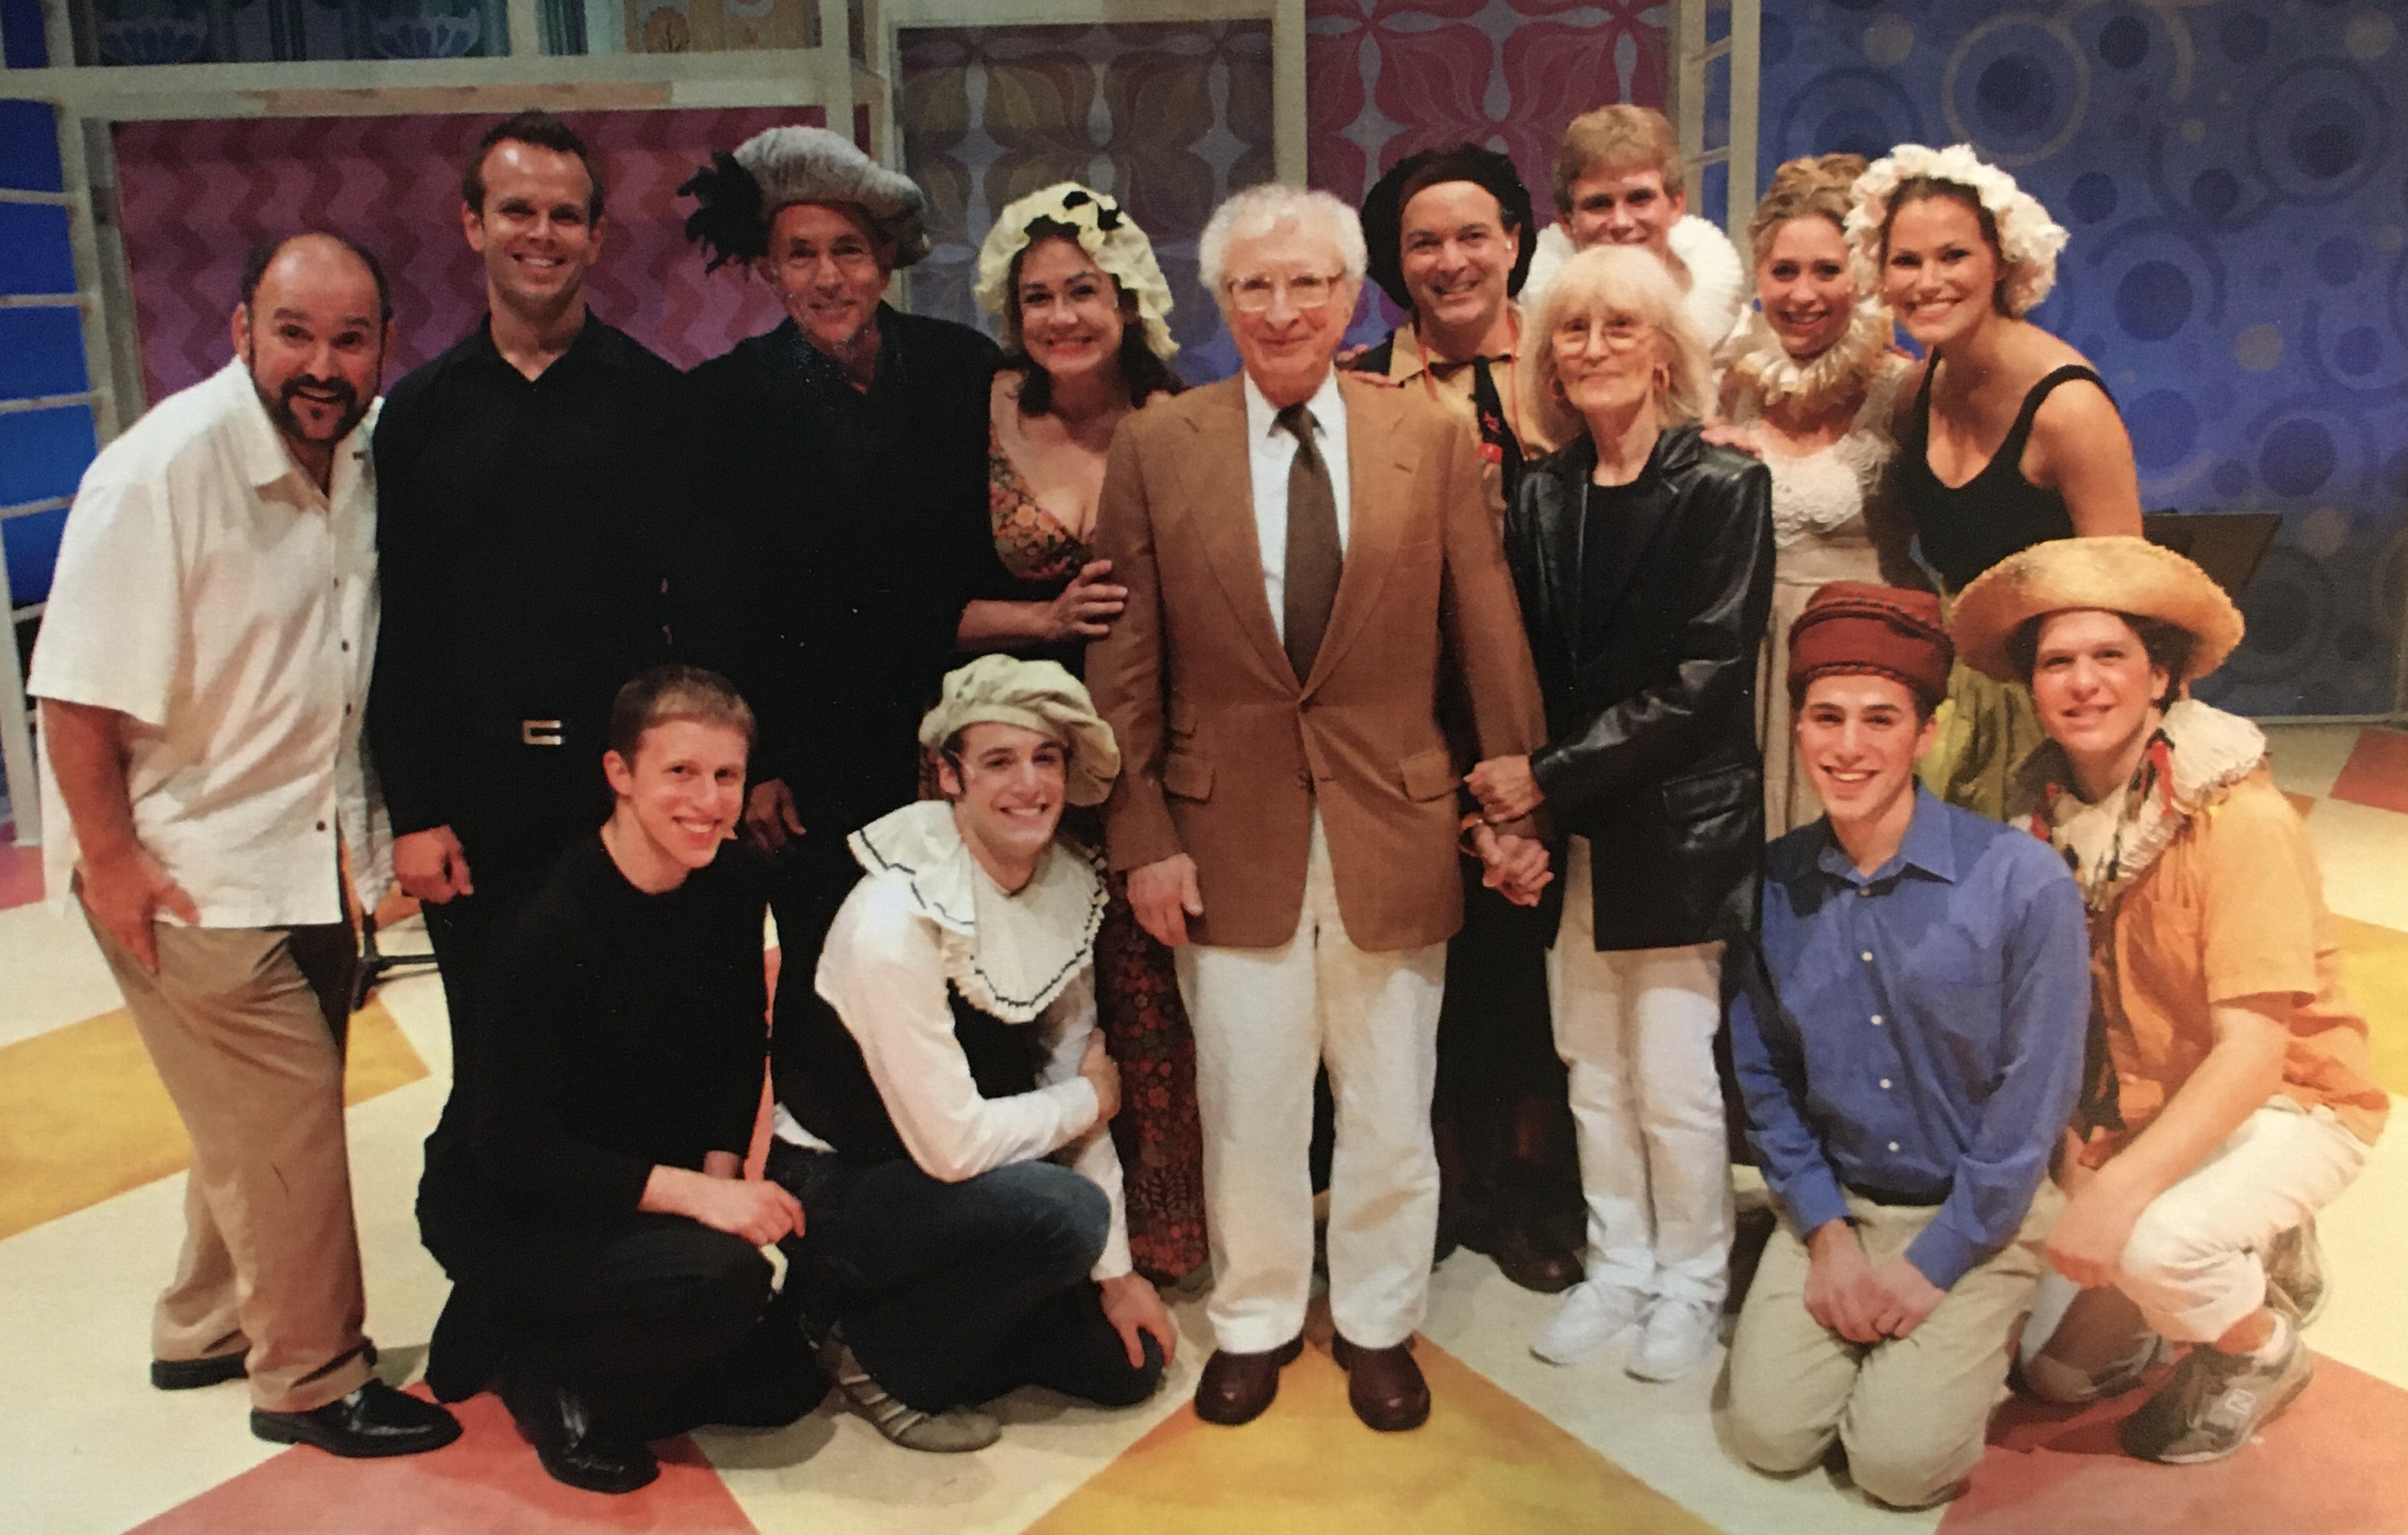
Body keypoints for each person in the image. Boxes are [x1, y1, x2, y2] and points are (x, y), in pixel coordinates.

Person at [1088, 183, 1551, 1434]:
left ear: (1351, 298)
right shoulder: (1160, 442)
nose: (1283, 309)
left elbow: (1486, 622)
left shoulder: (1429, 437)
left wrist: (1513, 787)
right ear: (1219, 300)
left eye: (1308, 284)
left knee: (1394, 1101)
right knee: (1247, 1096)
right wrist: (1139, 837)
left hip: (1395, 818)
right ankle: (1254, 1313)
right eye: (1254, 285)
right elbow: (1126, 662)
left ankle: (1379, 1318)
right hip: (1220, 827)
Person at [31, 232, 460, 1457]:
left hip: (305, 854)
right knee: (289, 1122)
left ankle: (207, 1318)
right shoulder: (158, 473)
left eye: (350, 337)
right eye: (295, 333)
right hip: (192, 871)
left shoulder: (359, 460)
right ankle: (312, 1374)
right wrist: (113, 864)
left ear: (383, 342)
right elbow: (72, 695)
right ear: (239, 331)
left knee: (258, 1119)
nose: (322, 363)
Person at [371, 113, 707, 1394]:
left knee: (623, 1052)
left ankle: (616, 1290)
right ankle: (498, 1282)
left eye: (566, 213)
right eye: (517, 209)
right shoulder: (417, 419)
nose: (542, 234)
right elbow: (395, 629)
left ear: (598, 236)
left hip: (614, 803)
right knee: (493, 1058)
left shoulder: (653, 404)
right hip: (478, 809)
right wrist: (415, 809)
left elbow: (692, 621)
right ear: (471, 224)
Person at [1948, 537, 2389, 1464]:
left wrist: (2118, 1197)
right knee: (2055, 1372)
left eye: (2110, 656)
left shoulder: (2238, 816)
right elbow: (2053, 1016)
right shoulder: (2044, 820)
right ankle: (2246, 1237)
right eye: (2057, 662)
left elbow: (2253, 1052)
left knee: (2152, 1248)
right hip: (2146, 1107)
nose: (2083, 682)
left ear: (2160, 676)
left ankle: (2262, 1349)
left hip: (2285, 1099)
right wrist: (2079, 1161)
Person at [1468, 244, 1773, 1384]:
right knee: (1586, 1066)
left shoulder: (1725, 485)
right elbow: (1519, 667)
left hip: (1675, 825)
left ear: (1665, 350)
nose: (1593, 349)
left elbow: (1703, 679)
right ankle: (1620, 1263)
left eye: (1619, 327)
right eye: (1573, 330)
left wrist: (1545, 776)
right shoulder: (1539, 494)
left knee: (1674, 1078)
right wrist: (1521, 809)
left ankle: (1691, 1281)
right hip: (1577, 826)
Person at [1724, 583, 2088, 1510]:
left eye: (1881, 719)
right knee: (1767, 1436)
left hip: (1977, 1207)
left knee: (1896, 1467)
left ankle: (2010, 1309)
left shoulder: (2021, 881)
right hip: (1843, 1201)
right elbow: (1765, 1082)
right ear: (1797, 727)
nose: (1849, 748)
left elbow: (2033, 1101)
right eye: (1826, 717)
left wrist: (1938, 1262)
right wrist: (1828, 1235)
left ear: (1926, 733)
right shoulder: (1770, 885)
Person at [417, 666, 816, 1495]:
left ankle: (521, 1320)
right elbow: (510, 1145)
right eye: (680, 772)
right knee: (723, 1285)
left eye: (726, 775)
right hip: (512, 1201)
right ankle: (546, 1366)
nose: (708, 800)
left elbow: (739, 1038)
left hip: (629, 1181)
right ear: (619, 774)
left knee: (785, 1381)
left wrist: (718, 1175)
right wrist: (699, 1204)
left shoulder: (733, 880)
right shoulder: (549, 928)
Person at [767, 656, 1175, 1453]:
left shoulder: (1061, 883)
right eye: (998, 761)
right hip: (843, 1179)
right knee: (1065, 1214)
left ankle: (888, 1320)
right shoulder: (892, 913)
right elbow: (959, 1143)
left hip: (960, 1178)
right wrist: (1094, 1100)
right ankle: (874, 1353)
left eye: (1045, 757)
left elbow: (1069, 1069)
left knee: (1125, 1367)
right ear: (949, 775)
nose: (1028, 784)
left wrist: (1118, 1274)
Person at [682, 125, 1003, 1068]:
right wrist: (756, 760)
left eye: (849, 251)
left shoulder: (965, 373)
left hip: (953, 746)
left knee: (968, 978)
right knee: (832, 987)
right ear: (770, 272)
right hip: (809, 770)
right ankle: (832, 1193)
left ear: (886, 258)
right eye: (801, 254)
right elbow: (713, 598)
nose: (828, 278)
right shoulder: (724, 403)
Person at [958, 182, 1206, 1282]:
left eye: (1083, 292)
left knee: (1149, 1005)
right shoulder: (984, 412)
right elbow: (921, 596)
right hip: (1006, 760)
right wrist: (1043, 618)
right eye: (1038, 297)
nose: (1061, 316)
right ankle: (1030, 1240)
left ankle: (1161, 1234)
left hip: (1143, 752)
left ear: (1128, 299)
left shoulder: (1182, 417)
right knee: (1015, 997)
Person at [1353, 143, 1576, 1293]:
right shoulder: (1359, 387)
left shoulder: (1578, 359)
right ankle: (1447, 1179)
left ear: (1515, 239)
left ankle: (1540, 1191)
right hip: (1420, 722)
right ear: (1395, 263)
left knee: (1551, 962)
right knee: (1451, 959)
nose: (1451, 261)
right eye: (1423, 242)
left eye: (1472, 234)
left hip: (1576, 710)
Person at [1845, 143, 2143, 818]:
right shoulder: (1915, 392)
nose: (1929, 281)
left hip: (2063, 700)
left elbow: (2131, 594)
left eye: (1953, 256)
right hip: (1954, 690)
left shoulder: (2067, 410)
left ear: (2002, 261)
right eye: (1907, 261)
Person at [1715, 154, 1920, 837]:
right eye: (1784, 272)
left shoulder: (1905, 389)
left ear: (1861, 273)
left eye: (1827, 271)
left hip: (1863, 659)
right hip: (1750, 663)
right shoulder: (1728, 383)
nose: (1804, 294)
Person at [1518, 105, 1747, 352]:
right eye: (1599, 204)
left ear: (1676, 205)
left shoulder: (1741, 340)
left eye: (1640, 199)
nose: (1621, 222)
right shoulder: (1528, 344)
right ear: (1566, 223)